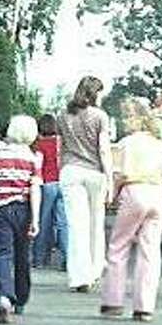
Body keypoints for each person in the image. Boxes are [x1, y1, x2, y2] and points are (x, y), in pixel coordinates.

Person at [100, 99, 162, 323]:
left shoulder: (127, 143)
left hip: (134, 191)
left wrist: (112, 194)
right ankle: (144, 307)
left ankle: (113, 301)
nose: (124, 120)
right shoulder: (158, 143)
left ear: (137, 118)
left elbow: (123, 173)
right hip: (155, 193)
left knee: (118, 246)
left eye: (127, 116)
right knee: (150, 251)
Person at [0, 115, 42, 324]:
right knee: (23, 255)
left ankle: (4, 297)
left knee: (2, 254)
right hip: (24, 210)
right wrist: (35, 219)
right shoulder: (32, 158)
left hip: (1, 210)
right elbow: (35, 189)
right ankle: (21, 299)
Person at [56, 76, 112, 292]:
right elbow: (104, 150)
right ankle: (94, 270)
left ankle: (80, 276)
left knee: (76, 226)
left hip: (70, 170)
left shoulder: (63, 115)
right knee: (95, 224)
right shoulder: (100, 116)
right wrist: (110, 179)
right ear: (95, 93)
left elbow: (61, 148)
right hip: (94, 172)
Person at [31, 113, 67, 269]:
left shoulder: (40, 145)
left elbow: (38, 166)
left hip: (47, 184)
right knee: (63, 223)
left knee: (43, 222)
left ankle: (39, 259)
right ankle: (67, 258)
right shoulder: (62, 143)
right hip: (63, 183)